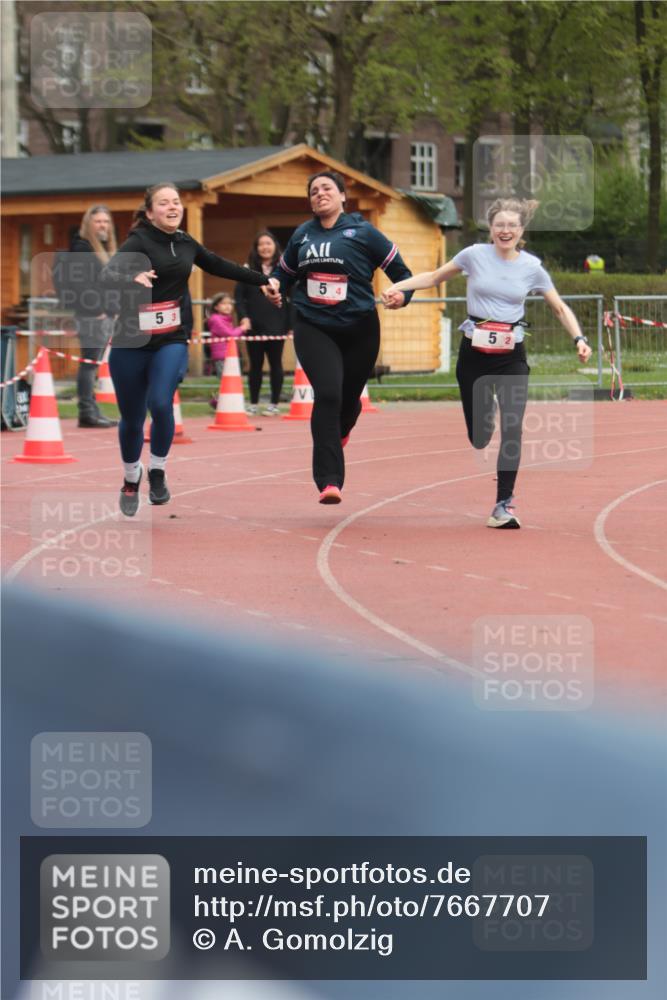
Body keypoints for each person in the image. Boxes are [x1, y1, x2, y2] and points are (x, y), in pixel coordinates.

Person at [383, 197, 593, 529]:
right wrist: (398, 286)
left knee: (513, 426)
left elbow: (559, 307)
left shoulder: (532, 267)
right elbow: (435, 277)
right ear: (491, 228)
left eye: (512, 225)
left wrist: (579, 339)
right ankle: (483, 424)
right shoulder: (474, 256)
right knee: (480, 436)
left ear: (521, 230)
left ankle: (503, 505)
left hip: (512, 356)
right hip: (474, 354)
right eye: (499, 225)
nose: (505, 230)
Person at [100, 182, 276, 517]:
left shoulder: (185, 242)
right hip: (131, 341)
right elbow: (109, 274)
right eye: (164, 203)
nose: (172, 207)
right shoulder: (137, 241)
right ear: (150, 211)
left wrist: (262, 280)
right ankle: (130, 477)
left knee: (161, 403)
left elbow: (218, 264)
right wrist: (131, 278)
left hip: (170, 337)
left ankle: (157, 470)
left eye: (176, 202)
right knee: (133, 418)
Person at [267, 171, 413, 504]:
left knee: (349, 402)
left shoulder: (364, 232)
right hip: (313, 324)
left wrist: (402, 296)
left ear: (343, 196)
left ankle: (341, 431)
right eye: (314, 191)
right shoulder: (302, 235)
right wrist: (275, 288)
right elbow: (283, 275)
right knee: (328, 394)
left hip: (360, 327)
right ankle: (329, 480)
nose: (320, 194)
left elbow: (403, 275)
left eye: (327, 188)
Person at [68, 205, 119, 428]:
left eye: (106, 222)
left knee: (94, 364)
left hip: (105, 314)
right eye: (98, 221)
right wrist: (97, 310)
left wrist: (114, 309)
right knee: (89, 364)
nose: (103, 226)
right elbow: (79, 283)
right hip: (92, 316)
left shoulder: (104, 249)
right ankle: (87, 412)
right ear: (89, 223)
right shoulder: (82, 247)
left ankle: (92, 410)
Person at [235, 231, 291, 416]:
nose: (265, 247)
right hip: (254, 326)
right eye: (261, 244)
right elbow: (239, 297)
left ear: (275, 246)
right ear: (256, 248)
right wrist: (243, 317)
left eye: (268, 243)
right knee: (255, 365)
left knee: (276, 364)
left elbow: (293, 297)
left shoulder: (284, 270)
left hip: (278, 325)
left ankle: (274, 404)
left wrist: (291, 324)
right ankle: (253, 403)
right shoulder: (248, 269)